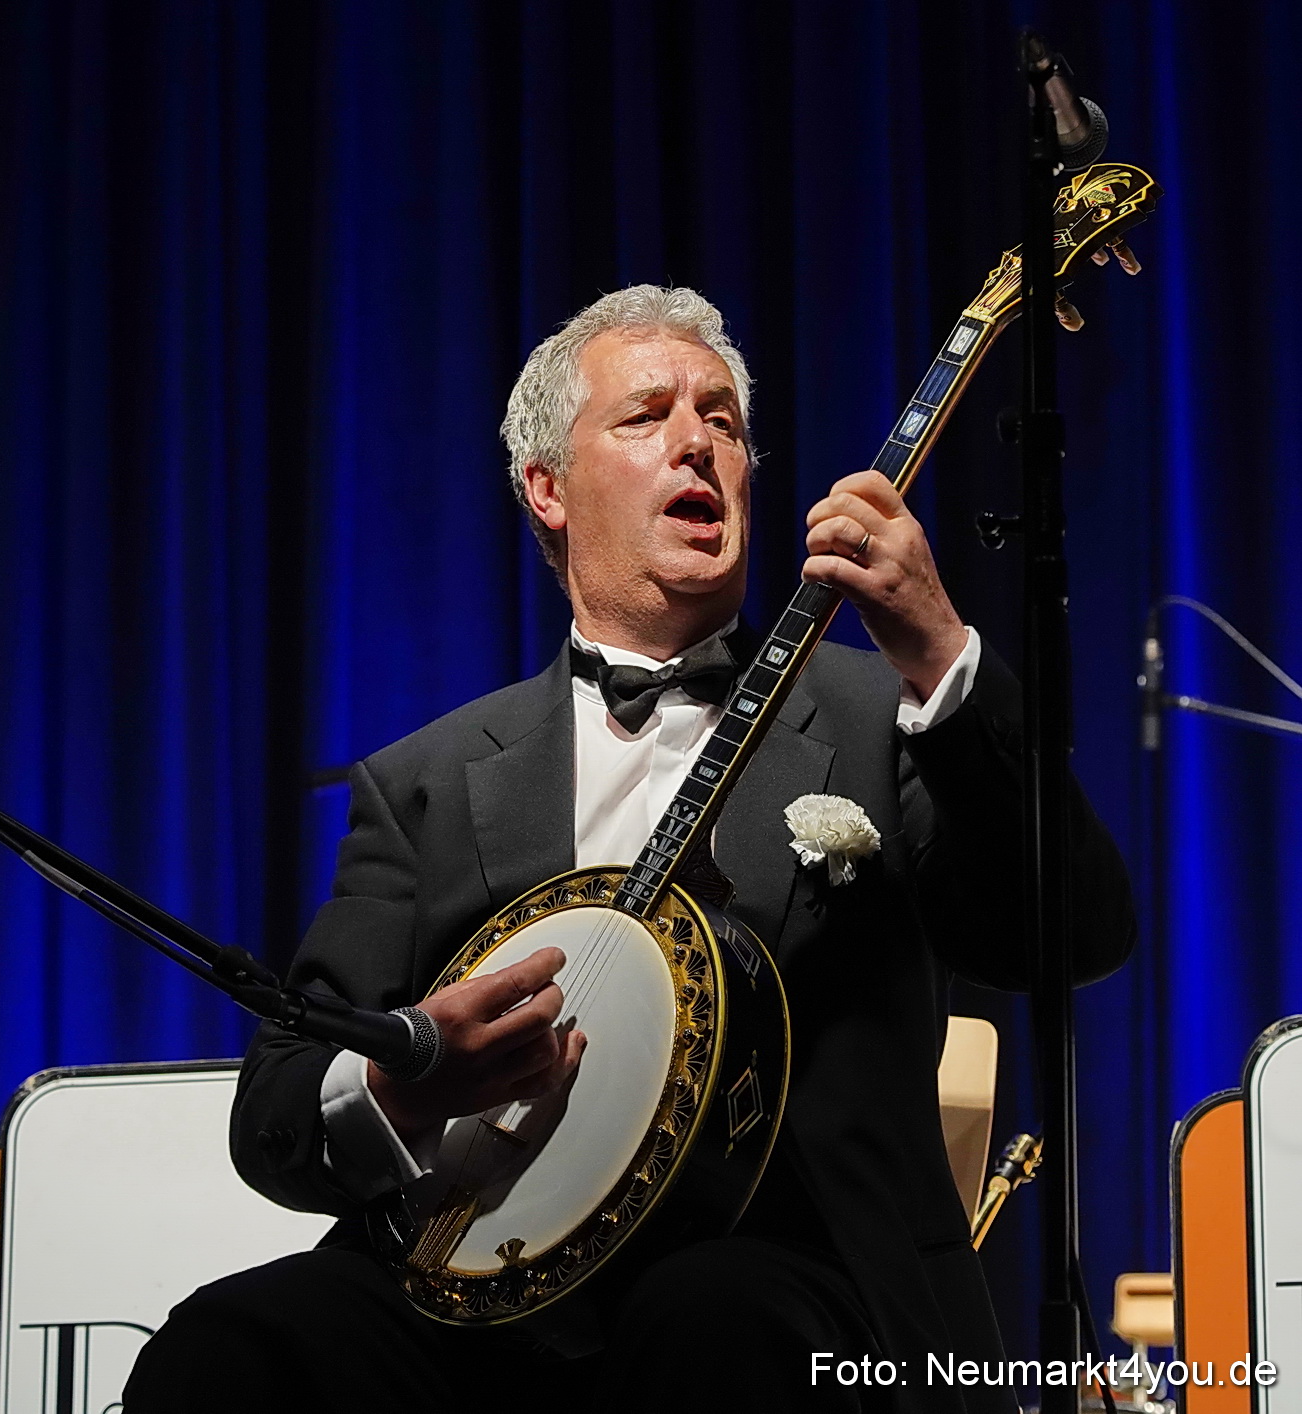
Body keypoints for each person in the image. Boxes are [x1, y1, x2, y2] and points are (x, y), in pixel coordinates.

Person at [124, 285, 1135, 1413]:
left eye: (723, 420)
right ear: (547, 490)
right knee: (231, 1348)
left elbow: (1073, 936)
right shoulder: (426, 781)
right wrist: (406, 1085)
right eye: (646, 415)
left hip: (794, 1288)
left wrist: (942, 657)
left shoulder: (879, 717)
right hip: (479, 1305)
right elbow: (274, 1113)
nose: (698, 441)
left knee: (707, 1320)